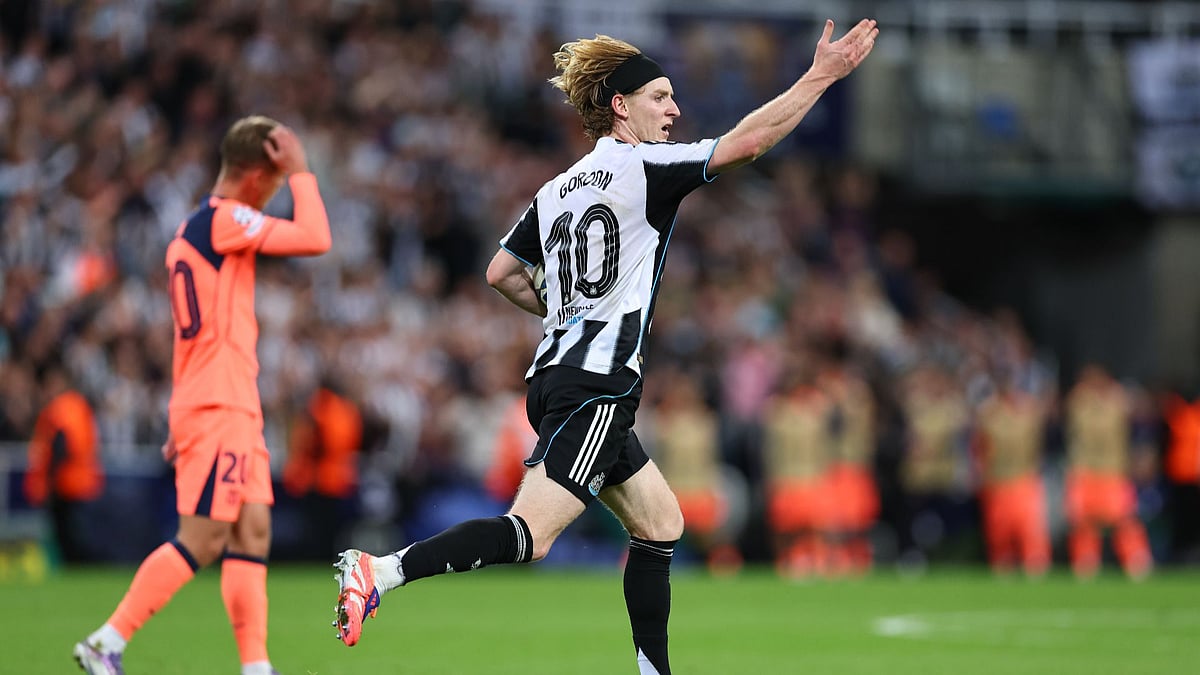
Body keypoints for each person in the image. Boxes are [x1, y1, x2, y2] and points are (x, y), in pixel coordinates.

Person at [332, 19, 878, 675]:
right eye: (660, 97)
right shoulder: (644, 166)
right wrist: (822, 75)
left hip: (559, 378)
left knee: (660, 522)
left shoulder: (557, 188)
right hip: (597, 387)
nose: (674, 109)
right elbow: (749, 142)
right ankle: (380, 569)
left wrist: (561, 308)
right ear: (620, 105)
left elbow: (500, 272)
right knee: (530, 535)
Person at [73, 116, 332, 675]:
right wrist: (305, 173)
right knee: (205, 536)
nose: (278, 189)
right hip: (219, 407)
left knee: (252, 530)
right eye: (278, 177)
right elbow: (315, 238)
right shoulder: (223, 220)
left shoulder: (194, 232)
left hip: (228, 403)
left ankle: (255, 667)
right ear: (259, 175)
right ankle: (106, 641)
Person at [1063, 365, 1152, 580]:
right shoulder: (1080, 403)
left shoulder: (1118, 401)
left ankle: (1135, 559)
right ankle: (1085, 562)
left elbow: (1139, 410)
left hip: (1113, 471)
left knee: (1125, 519)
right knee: (1084, 522)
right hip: (1084, 470)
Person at [24, 359, 104, 564]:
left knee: (70, 538)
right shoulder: (79, 405)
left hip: (67, 484)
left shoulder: (61, 408)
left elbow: (61, 447)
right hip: (85, 481)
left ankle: (79, 569)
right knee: (79, 535)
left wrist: (49, 483)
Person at [282, 379, 364, 560]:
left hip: (317, 477)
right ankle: (329, 558)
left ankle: (314, 559)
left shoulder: (318, 408)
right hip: (340, 477)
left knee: (314, 528)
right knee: (332, 528)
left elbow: (312, 443)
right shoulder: (347, 410)